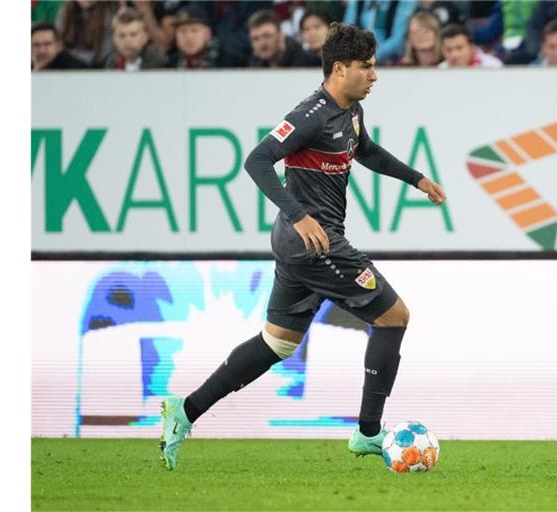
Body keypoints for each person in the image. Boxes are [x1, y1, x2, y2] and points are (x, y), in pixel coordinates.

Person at [158, 21, 447, 471]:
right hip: (315, 244)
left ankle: (185, 410)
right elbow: (257, 160)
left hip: (304, 245)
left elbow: (365, 150)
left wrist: (416, 179)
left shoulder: (350, 111)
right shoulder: (311, 113)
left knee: (276, 345)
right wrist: (299, 214)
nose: (374, 76)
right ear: (339, 69)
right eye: (366, 67)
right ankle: (368, 433)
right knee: (394, 317)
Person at [166, 4, 244, 69]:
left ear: (208, 34)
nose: (189, 37)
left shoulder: (230, 63)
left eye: (195, 31)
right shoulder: (169, 65)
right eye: (183, 31)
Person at [343, 0, 419, 64]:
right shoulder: (357, 2)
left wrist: (372, 56)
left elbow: (398, 39)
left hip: (391, 60)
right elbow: (348, 32)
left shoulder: (405, 2)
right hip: (359, 58)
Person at [248, 9, 322, 67]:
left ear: (281, 35)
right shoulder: (254, 65)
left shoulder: (308, 63)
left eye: (267, 36)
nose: (262, 43)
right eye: (255, 39)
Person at [56, 0, 118, 68]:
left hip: (97, 66)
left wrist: (78, 61)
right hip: (68, 65)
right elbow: (58, 41)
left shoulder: (107, 14)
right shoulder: (66, 11)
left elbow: (107, 50)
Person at [438, 23, 503, 68]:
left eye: (459, 48)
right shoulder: (438, 72)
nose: (454, 55)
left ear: (472, 48)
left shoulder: (492, 66)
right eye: (449, 50)